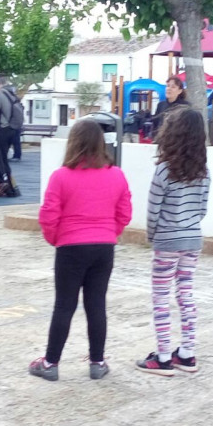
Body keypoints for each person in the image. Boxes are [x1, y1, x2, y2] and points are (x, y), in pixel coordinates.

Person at [30, 120, 132, 381]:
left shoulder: (61, 176)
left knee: (64, 305)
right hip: (103, 247)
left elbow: (48, 215)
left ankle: (50, 364)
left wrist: (56, 239)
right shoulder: (116, 174)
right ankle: (97, 362)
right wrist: (110, 233)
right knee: (96, 304)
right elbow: (124, 212)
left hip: (71, 247)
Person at [136, 107, 210, 376]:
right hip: (193, 239)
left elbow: (153, 209)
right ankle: (187, 354)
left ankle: (164, 357)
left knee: (161, 298)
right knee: (186, 294)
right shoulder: (204, 171)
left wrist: (152, 236)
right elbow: (202, 209)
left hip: (167, 240)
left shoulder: (164, 170)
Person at [0, 74, 22, 197]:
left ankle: (5, 185)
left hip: (2, 130)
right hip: (12, 130)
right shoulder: (12, 93)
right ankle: (4, 184)